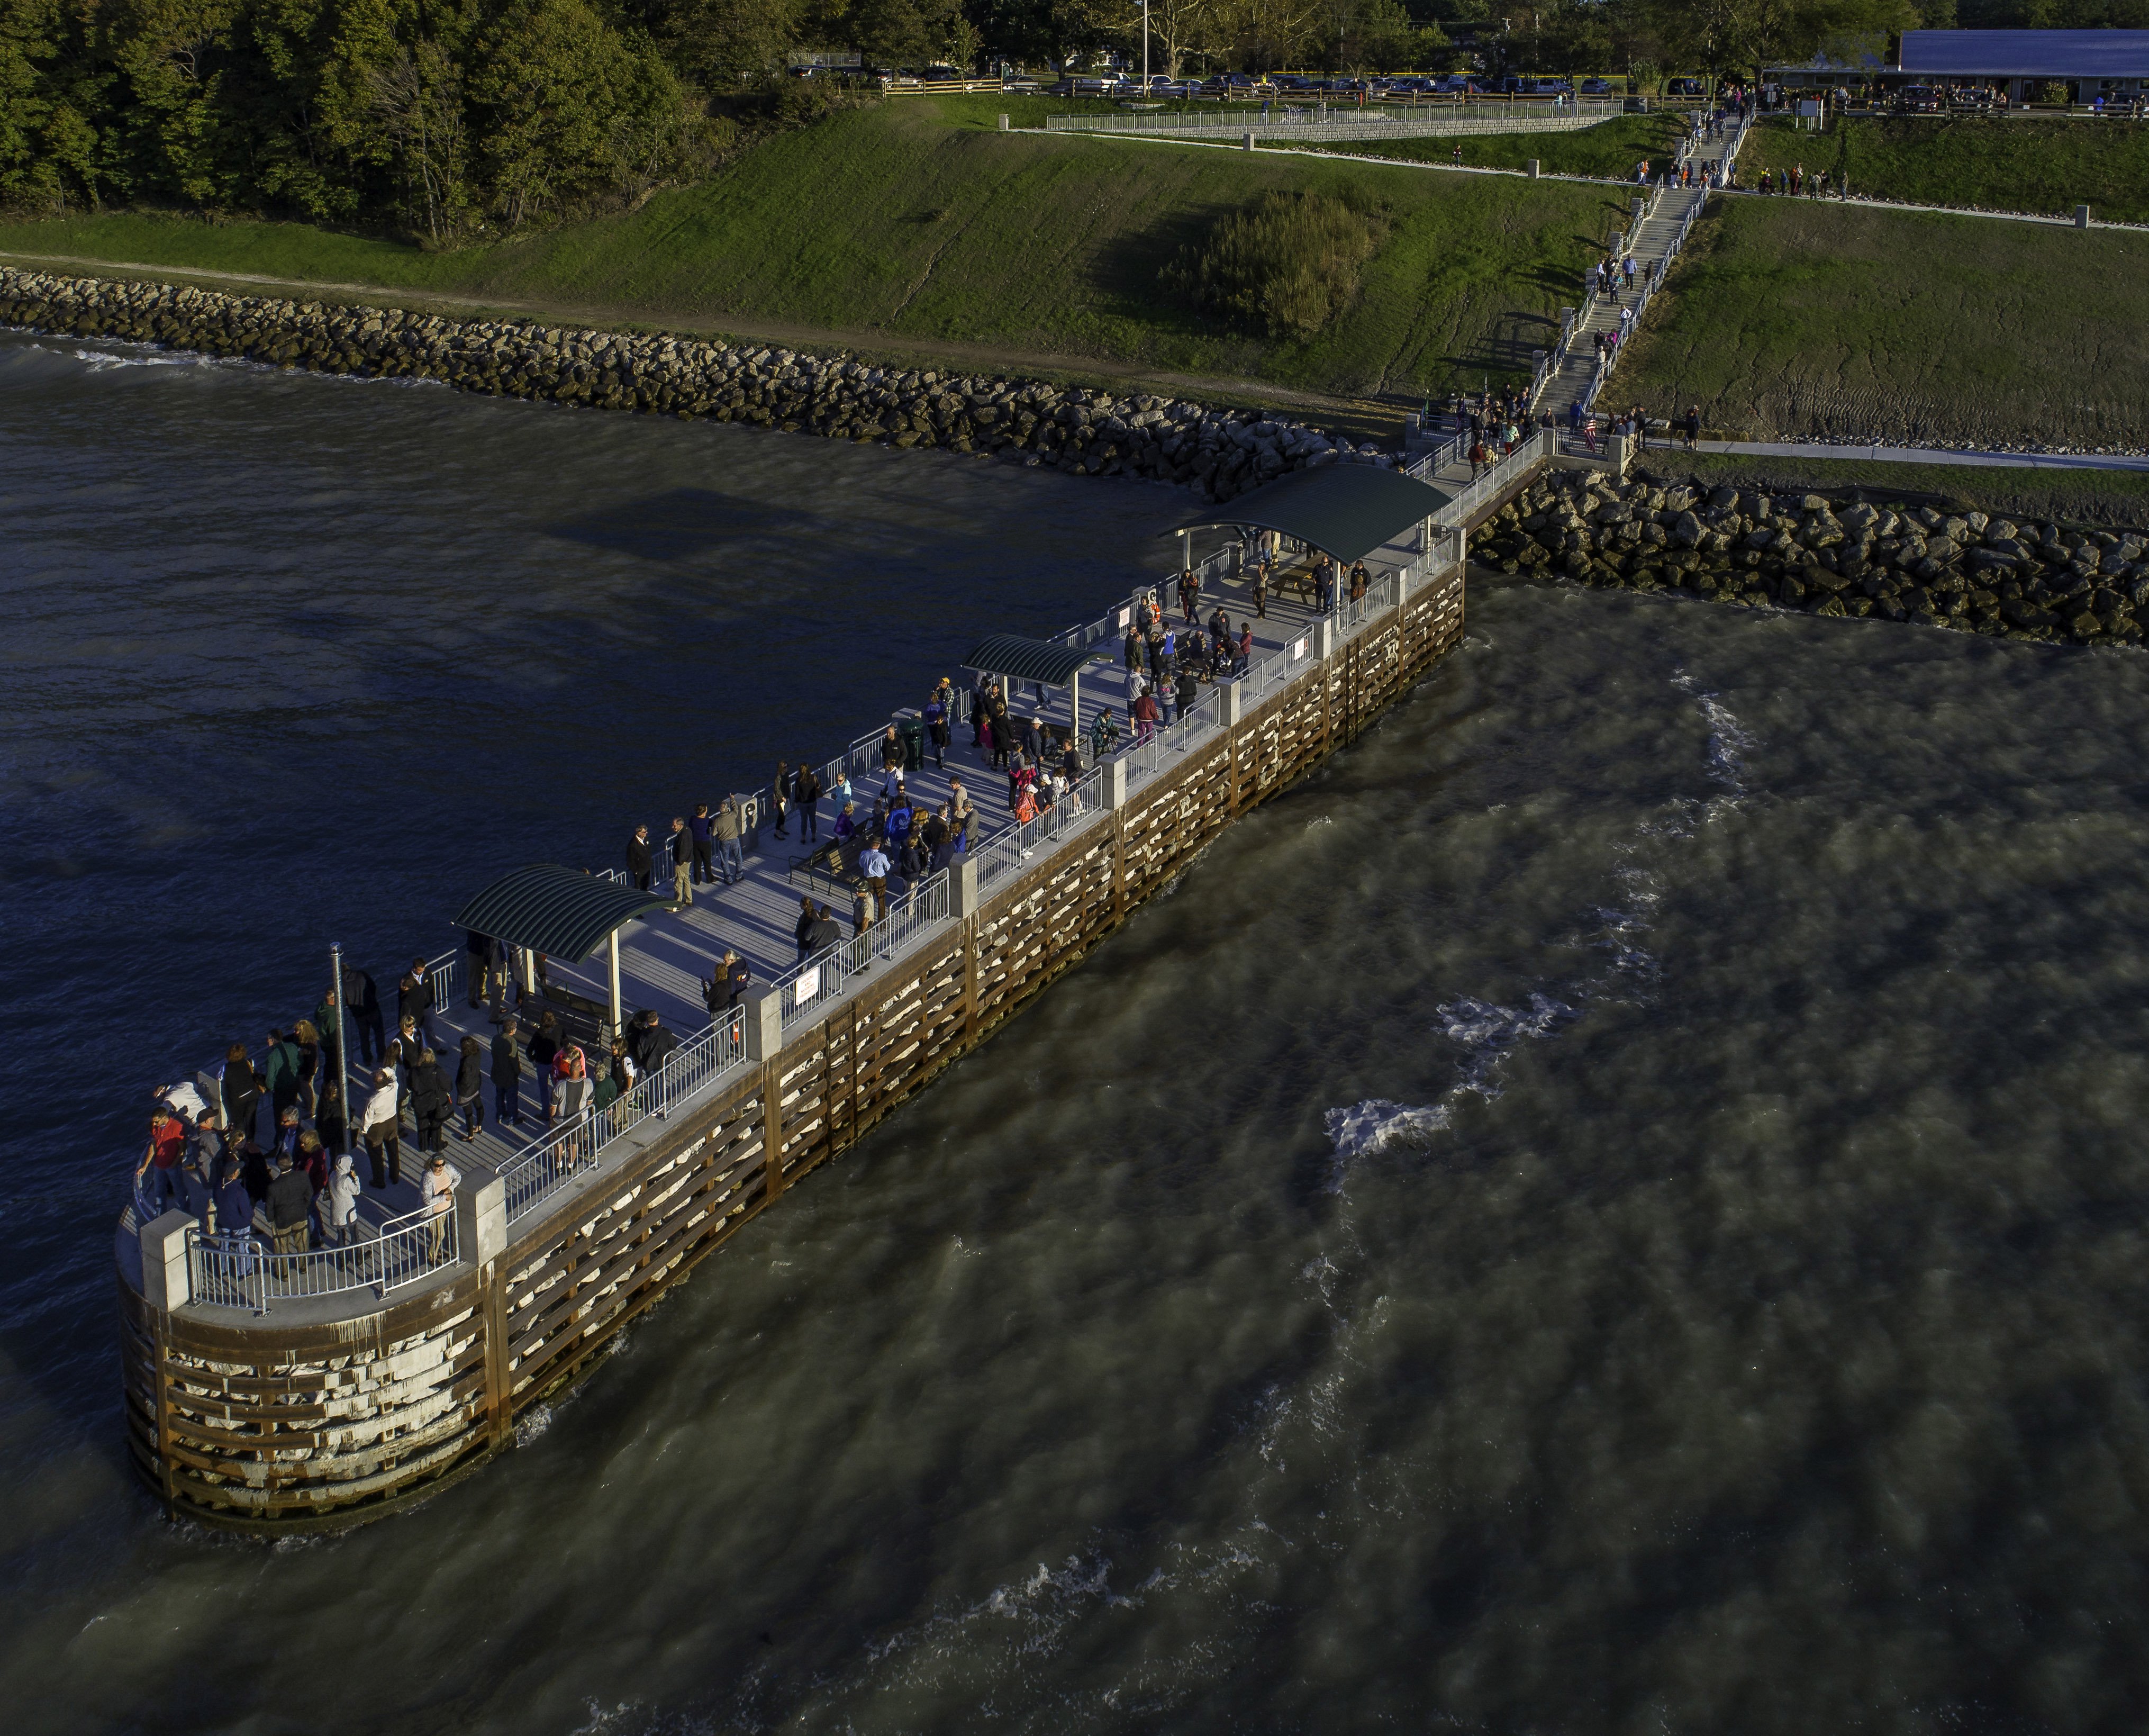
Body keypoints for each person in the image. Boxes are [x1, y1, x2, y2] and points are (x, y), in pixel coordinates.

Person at [136, 1105, 189, 1214]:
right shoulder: (157, 1128)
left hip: (172, 1166)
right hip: (159, 1166)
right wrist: (145, 1166)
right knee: (159, 1193)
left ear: (164, 1118)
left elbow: (182, 1148)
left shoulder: (177, 1127)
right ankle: (160, 1216)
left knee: (180, 1191)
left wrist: (174, 1164)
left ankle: (186, 1213)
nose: (154, 1125)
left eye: (156, 1122)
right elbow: (154, 1145)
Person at [266, 1149, 314, 1259]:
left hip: (281, 1219)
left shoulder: (273, 1186)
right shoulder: (302, 1176)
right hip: (300, 1214)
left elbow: (269, 1207)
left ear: (278, 1166)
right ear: (291, 1163)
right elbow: (309, 1192)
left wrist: (271, 1219)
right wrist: (304, 1206)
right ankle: (303, 1266)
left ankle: (284, 1273)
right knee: (302, 1243)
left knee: (281, 1247)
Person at [360, 1066, 400, 1188]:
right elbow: (393, 1074)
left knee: (376, 1155)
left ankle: (379, 1180)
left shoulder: (373, 1100)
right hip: (392, 1121)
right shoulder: (394, 1087)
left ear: (375, 1085)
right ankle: (395, 1176)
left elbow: (368, 1118)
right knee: (393, 1150)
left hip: (377, 1128)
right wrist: (384, 1070)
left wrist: (364, 1130)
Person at [410, 1047, 452, 1155]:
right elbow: (448, 1085)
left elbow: (410, 1085)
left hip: (420, 1102)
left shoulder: (414, 1071)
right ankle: (436, 1145)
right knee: (436, 1125)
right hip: (435, 1103)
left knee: (422, 1124)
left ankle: (423, 1145)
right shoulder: (437, 1071)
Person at [420, 1155, 456, 1262]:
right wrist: (444, 1197)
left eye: (443, 1164)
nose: (441, 1167)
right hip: (434, 1212)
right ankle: (432, 1256)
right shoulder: (428, 1179)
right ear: (432, 1165)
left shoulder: (447, 1169)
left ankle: (437, 1251)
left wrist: (450, 1188)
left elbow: (458, 1177)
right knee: (440, 1234)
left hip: (444, 1209)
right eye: (438, 1165)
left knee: (438, 1235)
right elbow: (427, 1200)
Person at [320, 1153, 361, 1248]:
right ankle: (357, 1255)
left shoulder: (333, 1175)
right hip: (348, 1211)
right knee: (354, 1233)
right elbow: (357, 1191)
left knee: (341, 1235)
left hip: (336, 1210)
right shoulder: (345, 1179)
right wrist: (356, 1178)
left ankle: (342, 1257)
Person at [208, 1154, 253, 1240]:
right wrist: (250, 1216)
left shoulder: (218, 1185)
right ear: (236, 1173)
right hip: (239, 1224)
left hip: (223, 1221)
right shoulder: (240, 1191)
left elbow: (216, 1202)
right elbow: (245, 1211)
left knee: (224, 1247)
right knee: (242, 1249)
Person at [348, 965, 384, 1066]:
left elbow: (343, 999)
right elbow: (373, 986)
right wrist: (371, 999)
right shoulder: (361, 974)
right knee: (379, 1033)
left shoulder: (341, 983)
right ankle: (381, 1056)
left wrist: (352, 1008)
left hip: (358, 1014)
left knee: (364, 1037)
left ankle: (367, 1059)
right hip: (372, 1008)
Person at [491, 1016, 523, 1128]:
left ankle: (500, 1115)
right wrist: (517, 1072)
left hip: (497, 1073)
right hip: (509, 1076)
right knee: (511, 1098)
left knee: (499, 1095)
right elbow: (514, 1060)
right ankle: (512, 1118)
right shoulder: (512, 1042)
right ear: (512, 1030)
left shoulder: (496, 1039)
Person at [398, 956, 435, 1053]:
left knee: (429, 1028)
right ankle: (420, 1050)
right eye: (420, 971)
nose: (422, 972)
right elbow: (402, 997)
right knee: (417, 1031)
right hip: (415, 1011)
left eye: (423, 970)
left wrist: (432, 1003)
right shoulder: (406, 980)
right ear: (414, 968)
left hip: (427, 1007)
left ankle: (435, 1047)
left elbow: (431, 989)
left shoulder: (427, 973)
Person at [455, 1033, 484, 1142]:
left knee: (468, 1113)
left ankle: (470, 1135)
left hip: (467, 1090)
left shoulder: (466, 1061)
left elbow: (465, 1078)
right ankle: (479, 1126)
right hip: (476, 1084)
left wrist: (459, 1085)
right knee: (479, 1106)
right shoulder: (478, 1054)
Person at [315, 1077, 348, 1161]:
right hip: (336, 1136)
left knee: (333, 1154)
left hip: (325, 1133)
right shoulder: (337, 1106)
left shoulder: (323, 1100)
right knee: (338, 1156)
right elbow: (339, 1124)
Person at [714, 795, 745, 883]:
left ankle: (728, 879)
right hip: (735, 839)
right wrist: (732, 799)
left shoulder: (717, 820)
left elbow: (714, 833)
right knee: (738, 857)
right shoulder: (732, 815)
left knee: (725, 860)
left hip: (724, 842)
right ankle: (739, 875)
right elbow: (736, 809)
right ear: (727, 808)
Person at [859, 841, 890, 916]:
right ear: (879, 845)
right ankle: (881, 923)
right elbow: (888, 867)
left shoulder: (864, 854)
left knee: (869, 900)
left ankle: (870, 919)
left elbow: (861, 865)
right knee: (881, 901)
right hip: (880, 880)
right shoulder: (881, 856)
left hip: (868, 879)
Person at [795, 762, 822, 842]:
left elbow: (797, 793)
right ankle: (813, 836)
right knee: (813, 819)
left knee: (804, 821)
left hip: (803, 803)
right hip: (812, 802)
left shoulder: (798, 780)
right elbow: (818, 786)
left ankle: (803, 838)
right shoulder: (813, 777)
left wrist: (796, 802)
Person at [924, 691, 949, 770]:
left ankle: (940, 760)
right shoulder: (941, 703)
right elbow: (946, 707)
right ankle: (940, 760)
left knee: (934, 737)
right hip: (942, 722)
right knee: (940, 736)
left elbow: (926, 713)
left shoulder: (930, 706)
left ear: (932, 699)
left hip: (932, 723)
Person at [627, 822, 654, 891]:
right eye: (644, 832)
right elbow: (630, 860)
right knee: (640, 888)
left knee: (645, 886)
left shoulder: (645, 839)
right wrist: (636, 871)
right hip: (640, 871)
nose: (646, 833)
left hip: (647, 868)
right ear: (639, 833)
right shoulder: (633, 845)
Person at [794, 892, 819, 963]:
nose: (800, 906)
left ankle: (800, 974)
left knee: (800, 961)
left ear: (805, 906)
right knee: (812, 962)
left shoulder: (804, 918)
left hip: (804, 943)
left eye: (801, 904)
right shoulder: (816, 913)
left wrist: (796, 934)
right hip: (813, 942)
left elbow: (800, 930)